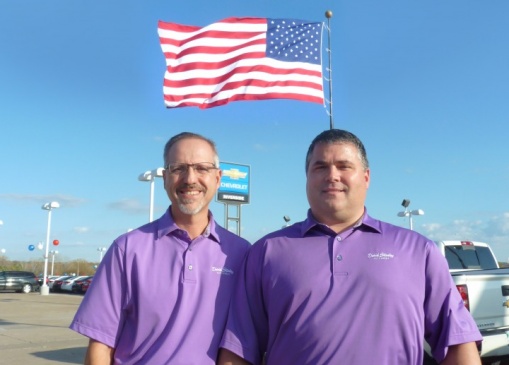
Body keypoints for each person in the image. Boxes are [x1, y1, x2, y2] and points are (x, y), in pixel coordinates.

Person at [218, 129, 482, 365]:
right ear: (307, 177)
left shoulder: (417, 250)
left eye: (344, 166)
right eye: (320, 167)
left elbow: (458, 342)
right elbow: (238, 350)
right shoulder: (267, 252)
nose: (332, 175)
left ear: (366, 177)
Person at [70, 132, 250, 364]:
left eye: (202, 168)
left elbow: (240, 347)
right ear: (165, 178)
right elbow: (101, 345)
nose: (190, 179)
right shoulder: (127, 250)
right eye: (178, 168)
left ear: (218, 178)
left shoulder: (242, 254)